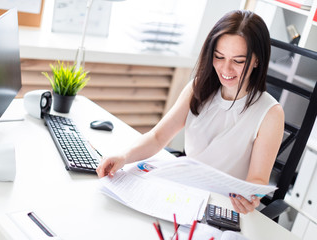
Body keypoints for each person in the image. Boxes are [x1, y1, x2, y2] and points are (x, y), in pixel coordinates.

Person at [96, 10, 284, 214]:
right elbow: (158, 137)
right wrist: (124, 157)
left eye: (238, 61)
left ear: (257, 60)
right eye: (219, 57)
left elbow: (257, 181)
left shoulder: (270, 113)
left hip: (222, 207)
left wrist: (250, 199)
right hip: (183, 196)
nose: (226, 69)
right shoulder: (198, 88)